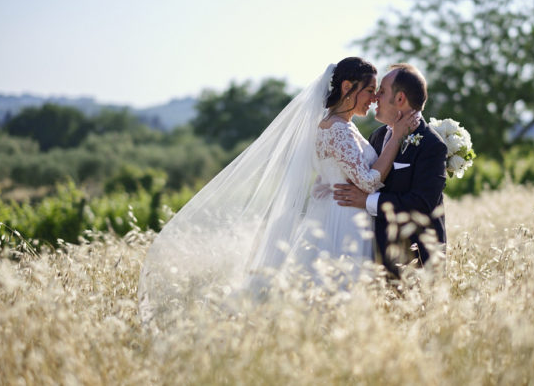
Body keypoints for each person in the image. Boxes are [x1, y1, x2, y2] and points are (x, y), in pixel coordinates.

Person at [138, 57, 418, 324]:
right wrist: (396, 137)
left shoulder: (343, 126)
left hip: (338, 210)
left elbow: (335, 170)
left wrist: (327, 182)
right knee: (339, 292)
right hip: (341, 221)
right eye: (370, 90)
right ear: (347, 87)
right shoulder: (337, 129)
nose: (374, 98)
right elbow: (368, 181)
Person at [333, 63, 448, 276]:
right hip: (375, 259)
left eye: (382, 91)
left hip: (416, 262)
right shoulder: (376, 137)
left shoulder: (431, 145)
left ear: (400, 99)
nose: (375, 97)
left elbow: (421, 204)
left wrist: (366, 201)